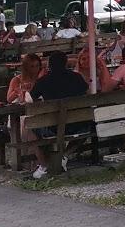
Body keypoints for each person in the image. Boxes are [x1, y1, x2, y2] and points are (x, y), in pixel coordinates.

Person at [28, 51, 90, 179]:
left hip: (52, 128)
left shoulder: (43, 81)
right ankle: (65, 154)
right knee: (90, 124)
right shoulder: (76, 77)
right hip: (78, 125)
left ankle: (44, 165)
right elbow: (87, 92)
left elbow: (30, 99)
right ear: (66, 63)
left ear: (49, 65)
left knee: (29, 128)